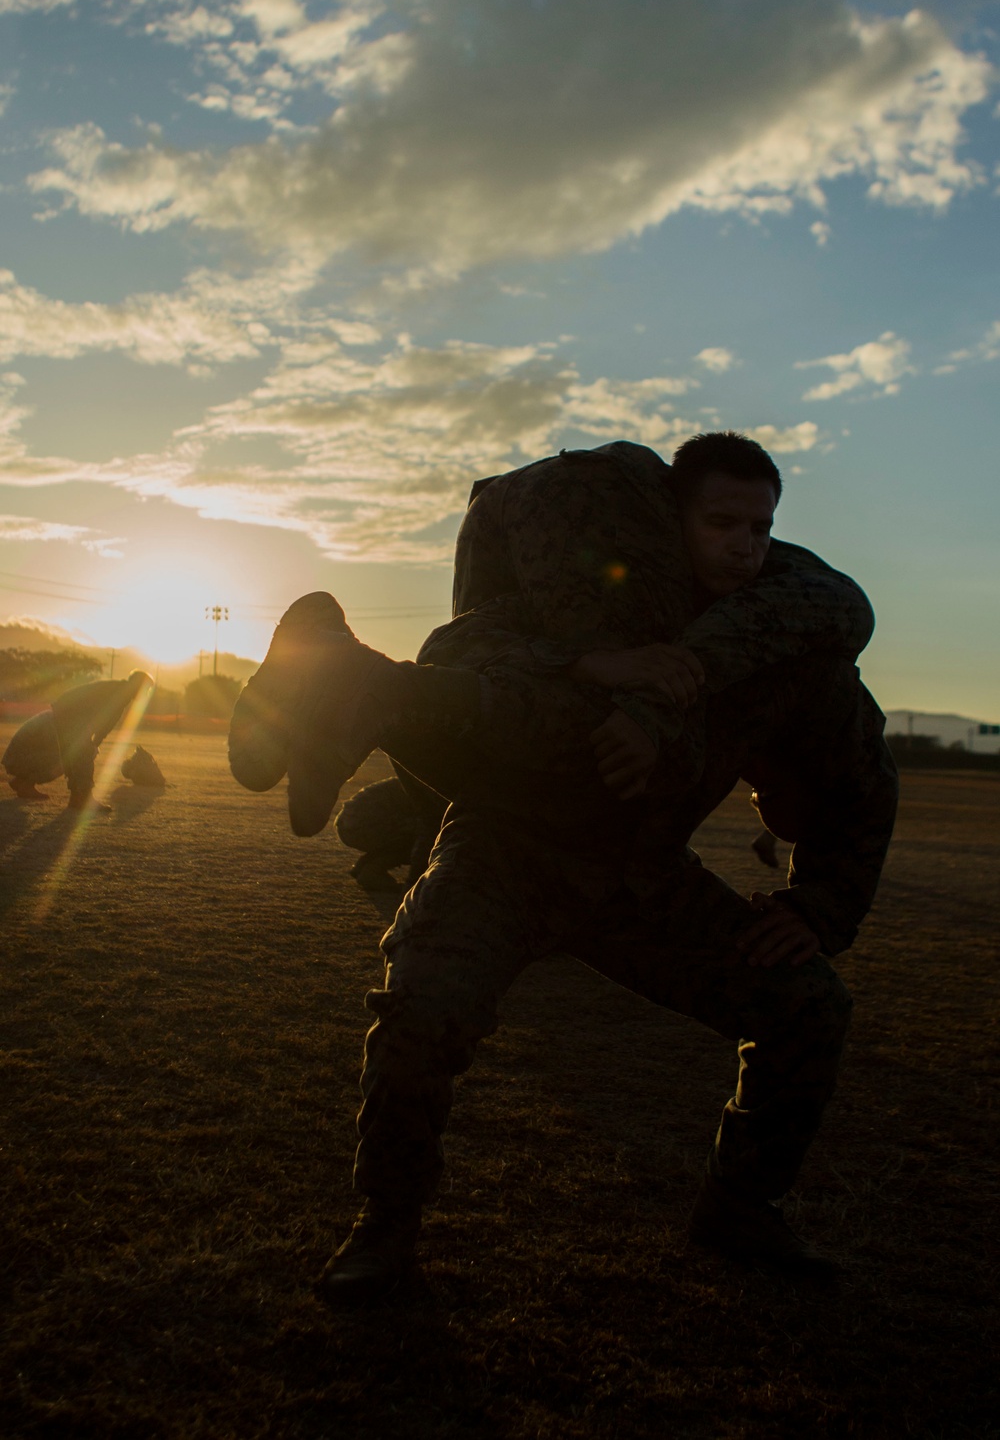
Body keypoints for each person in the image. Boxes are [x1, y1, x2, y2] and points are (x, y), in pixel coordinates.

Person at [229, 434, 897, 1304]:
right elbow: (456, 645)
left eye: (761, 528)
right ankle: (385, 1226)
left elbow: (861, 771)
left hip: (639, 877)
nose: (743, 544)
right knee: (423, 1010)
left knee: (809, 1003)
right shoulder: (587, 591)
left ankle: (742, 1206)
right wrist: (586, 659)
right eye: (721, 521)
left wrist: (819, 905)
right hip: (509, 847)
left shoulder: (777, 640)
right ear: (673, 519)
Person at [2, 671, 153, 812]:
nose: (146, 694)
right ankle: (80, 799)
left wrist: (94, 744)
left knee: (75, 755)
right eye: (146, 689)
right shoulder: (119, 693)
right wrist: (92, 745)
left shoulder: (118, 689)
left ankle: (23, 782)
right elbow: (102, 722)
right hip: (66, 718)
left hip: (62, 716)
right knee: (79, 756)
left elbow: (103, 725)